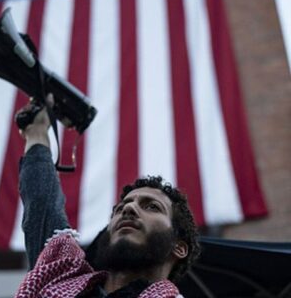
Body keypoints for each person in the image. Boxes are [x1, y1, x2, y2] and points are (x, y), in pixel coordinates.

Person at [15, 97, 200, 298]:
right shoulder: (59, 280)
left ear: (179, 247)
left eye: (152, 207)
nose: (129, 209)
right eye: (120, 208)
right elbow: (42, 205)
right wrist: (37, 131)